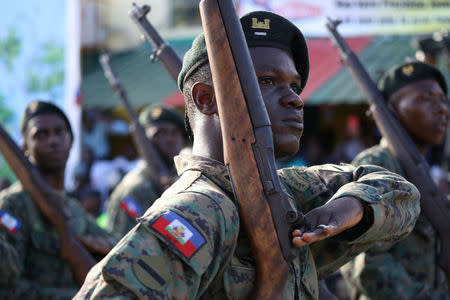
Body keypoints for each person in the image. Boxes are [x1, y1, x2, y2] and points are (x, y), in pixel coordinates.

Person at [75, 11, 420, 299]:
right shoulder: (196, 210)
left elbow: (401, 194)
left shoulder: (286, 191)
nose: (295, 99)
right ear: (206, 99)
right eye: (267, 82)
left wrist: (349, 207)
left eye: (295, 86)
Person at [342, 61, 450, 299]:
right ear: (392, 112)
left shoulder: (427, 170)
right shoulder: (378, 164)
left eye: (443, 99)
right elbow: (367, 264)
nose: (442, 109)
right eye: (426, 98)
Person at [0, 101, 118, 299]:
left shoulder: (73, 207)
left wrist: (102, 245)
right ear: (24, 147)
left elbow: (118, 245)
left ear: (71, 141)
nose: (53, 141)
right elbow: (8, 286)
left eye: (59, 132)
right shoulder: (12, 205)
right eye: (41, 135)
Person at [105, 104, 186, 238]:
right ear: (143, 141)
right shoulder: (133, 189)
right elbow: (120, 246)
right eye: (160, 133)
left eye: (175, 132)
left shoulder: (182, 179)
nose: (171, 139)